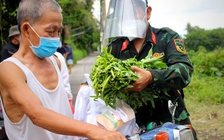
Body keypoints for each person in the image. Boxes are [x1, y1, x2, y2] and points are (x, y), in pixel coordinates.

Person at [0, 0, 126, 140]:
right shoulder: (10, 69)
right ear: (26, 30)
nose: (55, 38)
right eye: (50, 31)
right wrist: (93, 131)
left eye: (58, 32)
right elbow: (37, 114)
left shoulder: (57, 61)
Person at [103, 0, 198, 139]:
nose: (128, 17)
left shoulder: (166, 38)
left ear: (148, 12)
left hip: (170, 123)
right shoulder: (114, 48)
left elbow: (184, 71)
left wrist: (152, 77)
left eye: (134, 11)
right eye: (123, 14)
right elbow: (100, 74)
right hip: (133, 128)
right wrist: (87, 85)